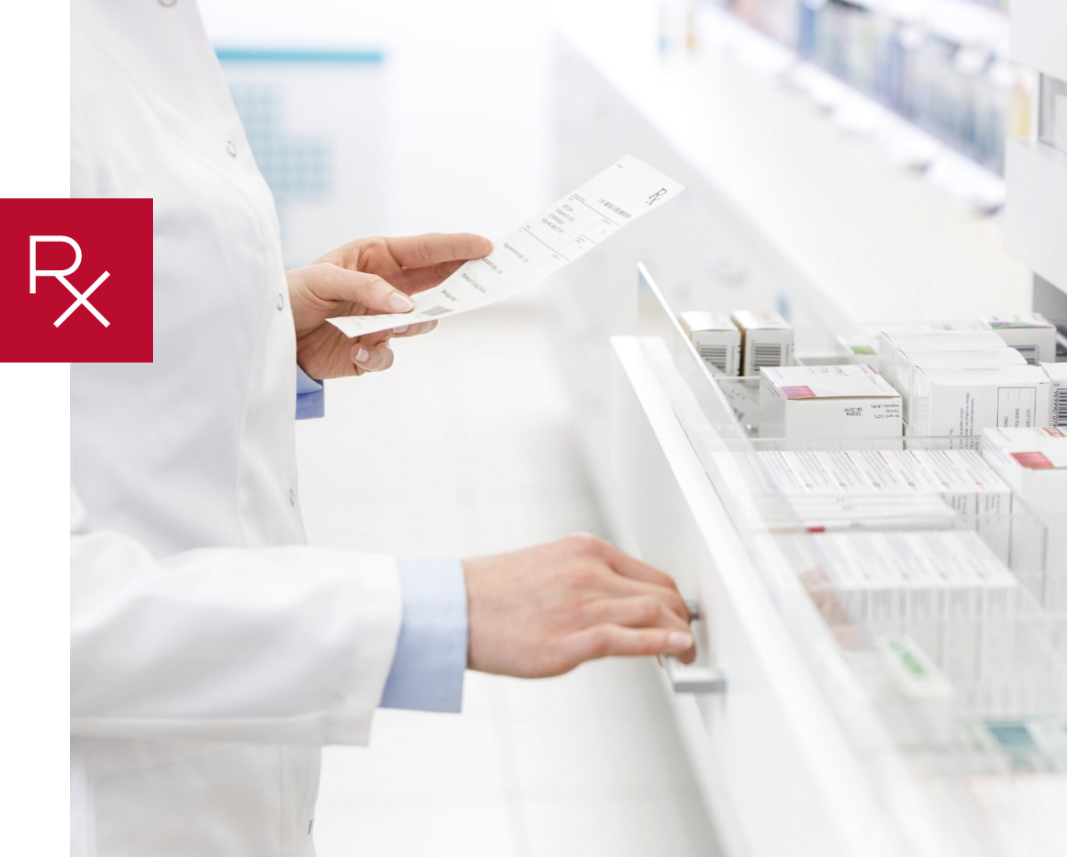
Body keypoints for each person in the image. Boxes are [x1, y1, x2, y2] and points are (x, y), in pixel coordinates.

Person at [69, 2, 696, 855]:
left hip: (226, 769)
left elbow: (60, 323)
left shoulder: (137, 31)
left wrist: (260, 325)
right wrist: (434, 610)